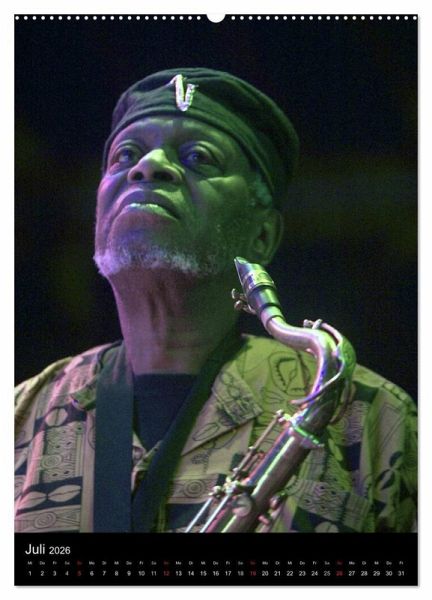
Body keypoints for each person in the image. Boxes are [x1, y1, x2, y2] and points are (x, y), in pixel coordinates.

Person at [14, 68, 417, 534]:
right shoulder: (20, 415)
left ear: (262, 236)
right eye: (126, 154)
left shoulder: (373, 418)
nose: (149, 166)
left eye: (199, 158)